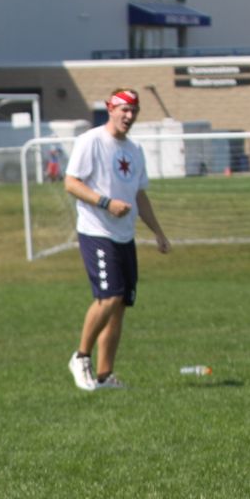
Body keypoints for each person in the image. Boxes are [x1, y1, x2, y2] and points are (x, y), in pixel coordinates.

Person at [63, 88, 170, 391]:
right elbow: (71, 183)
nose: (129, 115)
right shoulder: (91, 141)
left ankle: (105, 375)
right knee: (109, 297)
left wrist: (158, 232)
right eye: (124, 109)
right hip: (97, 231)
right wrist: (105, 203)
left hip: (125, 236)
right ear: (110, 109)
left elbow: (139, 195)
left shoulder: (135, 149)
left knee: (120, 304)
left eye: (134, 110)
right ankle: (81, 357)